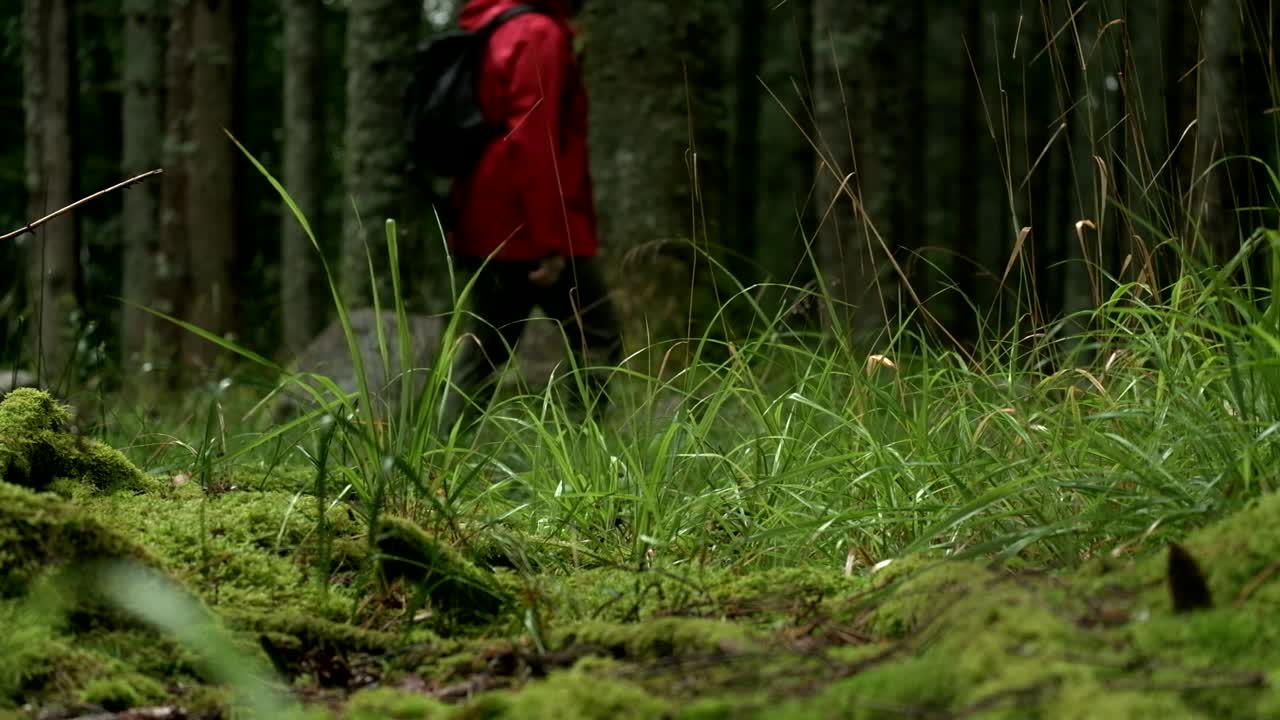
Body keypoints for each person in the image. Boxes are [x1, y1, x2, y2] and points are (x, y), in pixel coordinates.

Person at [437, 0, 621, 433]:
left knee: (487, 345)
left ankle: (438, 457)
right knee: (598, 334)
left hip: (489, 213)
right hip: (523, 221)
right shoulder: (537, 32)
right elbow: (532, 139)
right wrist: (550, 242)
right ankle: (582, 454)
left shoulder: (499, 25)